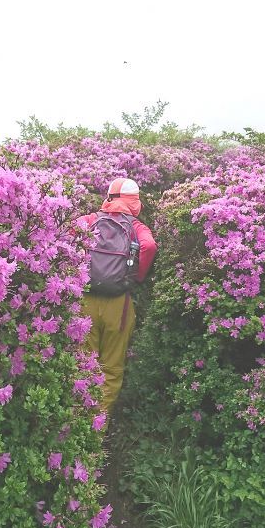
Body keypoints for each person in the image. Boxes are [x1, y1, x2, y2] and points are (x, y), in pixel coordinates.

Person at [77, 177, 157, 416]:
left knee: (82, 364)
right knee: (110, 370)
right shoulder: (136, 227)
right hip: (118, 305)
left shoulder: (90, 220)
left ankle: (74, 423)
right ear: (134, 201)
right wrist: (136, 276)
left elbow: (66, 232)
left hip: (84, 301)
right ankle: (96, 429)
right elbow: (149, 246)